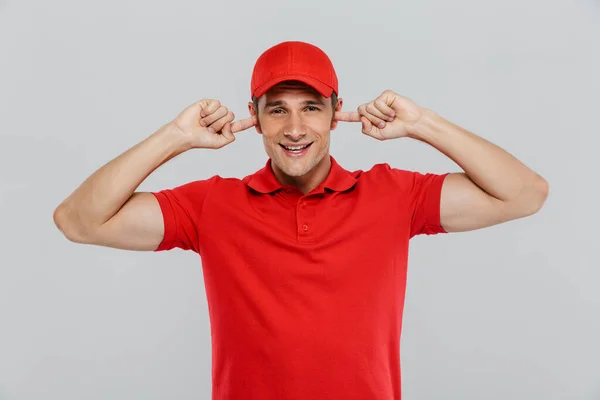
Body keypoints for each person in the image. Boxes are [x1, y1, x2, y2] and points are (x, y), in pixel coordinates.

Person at [53, 41, 549, 399]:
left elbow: (525, 194)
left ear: (337, 112)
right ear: (255, 116)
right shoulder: (212, 206)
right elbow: (78, 221)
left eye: (311, 108)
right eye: (277, 111)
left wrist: (422, 125)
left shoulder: (393, 194)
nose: (294, 129)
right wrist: (174, 137)